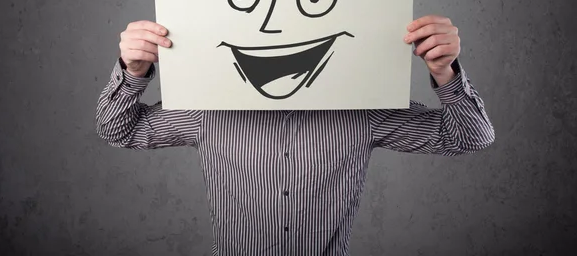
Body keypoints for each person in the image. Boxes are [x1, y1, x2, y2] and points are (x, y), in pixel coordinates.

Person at [95, 15, 494, 256]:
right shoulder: (207, 108)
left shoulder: (362, 108)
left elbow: (467, 137)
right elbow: (118, 128)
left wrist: (446, 72)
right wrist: (133, 70)